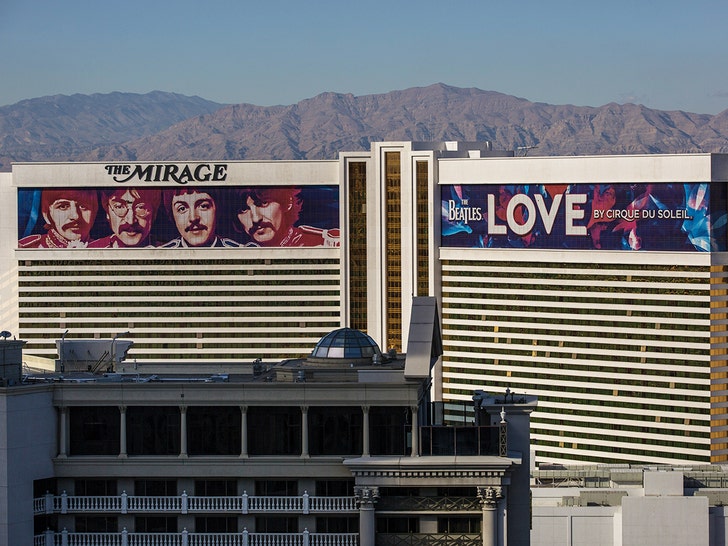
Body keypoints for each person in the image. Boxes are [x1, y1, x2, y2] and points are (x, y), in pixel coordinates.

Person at [233, 187, 339, 247]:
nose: (255, 218)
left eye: (263, 203)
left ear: (287, 203)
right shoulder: (236, 251)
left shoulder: (325, 243)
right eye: (243, 210)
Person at [159, 188, 239, 248]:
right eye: (182, 208)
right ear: (172, 215)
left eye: (203, 206)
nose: (193, 218)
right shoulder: (159, 255)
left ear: (217, 209)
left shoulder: (239, 252)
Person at [19, 188, 98, 248]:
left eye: (83, 206)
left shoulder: (102, 247)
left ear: (94, 212)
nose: (75, 216)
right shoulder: (28, 247)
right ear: (46, 214)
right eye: (63, 206)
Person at [89, 188, 161, 248]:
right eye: (119, 207)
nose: (130, 221)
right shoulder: (92, 250)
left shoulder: (167, 250)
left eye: (140, 207)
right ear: (107, 213)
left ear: (154, 213)